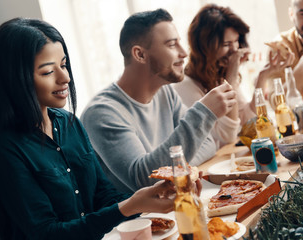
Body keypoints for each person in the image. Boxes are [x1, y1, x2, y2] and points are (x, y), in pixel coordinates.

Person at [0, 18, 177, 240]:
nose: (65, 78)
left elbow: (103, 195)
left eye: (63, 65)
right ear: (15, 79)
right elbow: (48, 233)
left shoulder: (69, 123)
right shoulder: (3, 149)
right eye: (47, 72)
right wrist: (128, 207)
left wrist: (148, 198)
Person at [80, 8, 237, 193]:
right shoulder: (102, 113)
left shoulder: (166, 93)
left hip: (172, 205)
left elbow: (208, 144)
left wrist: (173, 169)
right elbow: (145, 179)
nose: (184, 53)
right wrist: (204, 112)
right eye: (172, 45)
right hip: (140, 220)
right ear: (140, 54)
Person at [174, 4, 293, 148]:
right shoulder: (186, 86)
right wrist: (231, 80)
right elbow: (227, 137)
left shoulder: (218, 77)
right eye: (227, 44)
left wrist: (263, 76)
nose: (235, 50)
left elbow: (249, 123)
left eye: (236, 41)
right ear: (204, 47)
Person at [266, 0, 303, 95]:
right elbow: (276, 102)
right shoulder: (279, 47)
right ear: (291, 14)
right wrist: (300, 71)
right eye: (302, 14)